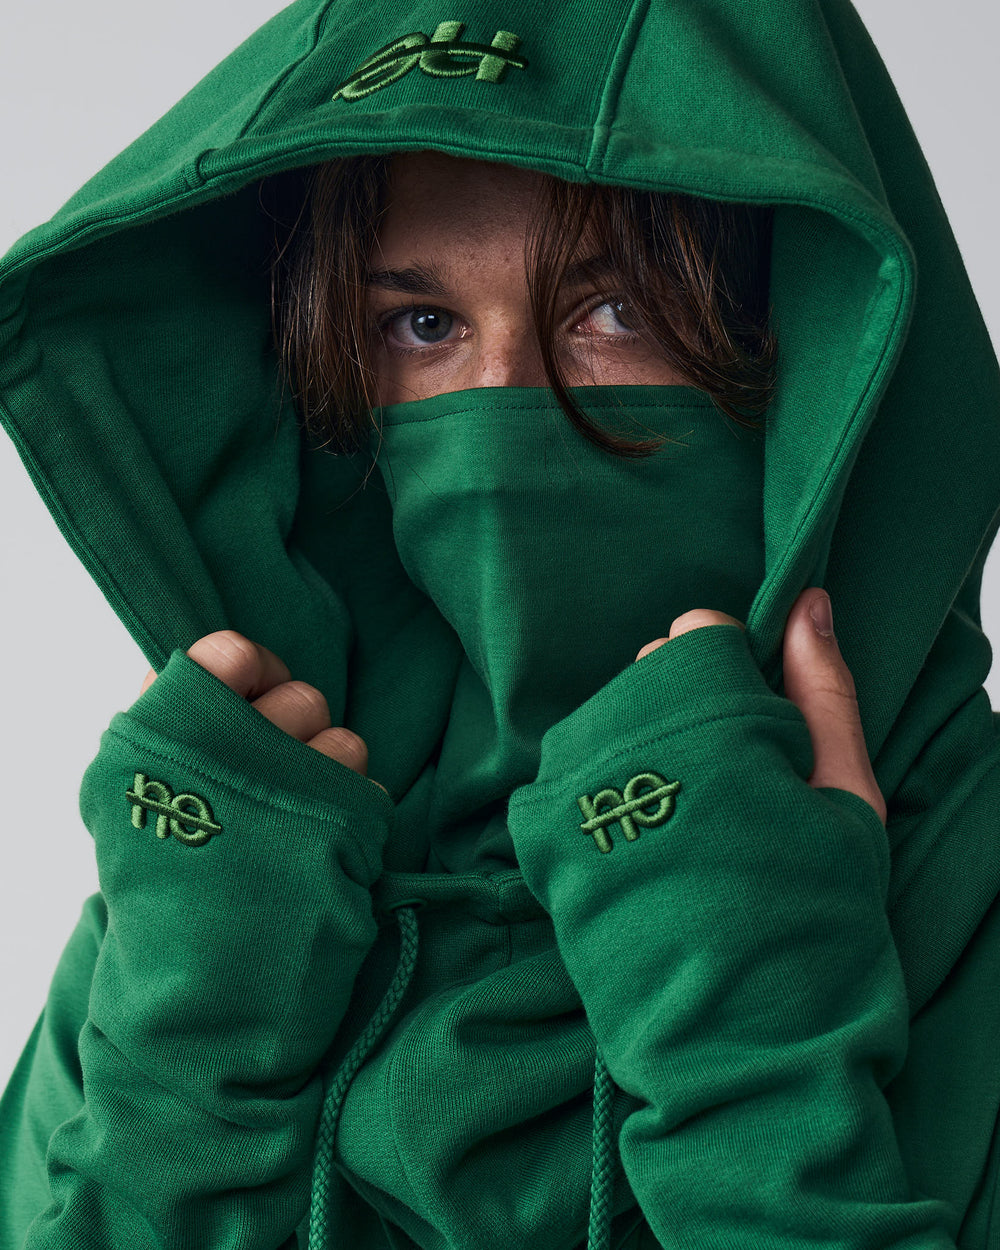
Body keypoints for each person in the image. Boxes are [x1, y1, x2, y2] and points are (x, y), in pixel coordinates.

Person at [0, 1, 998, 1247]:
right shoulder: (220, 882)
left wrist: (754, 1028)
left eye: (615, 310)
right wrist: (187, 1079)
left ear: (802, 352)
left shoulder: (961, 877)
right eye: (420, 325)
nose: (496, 416)